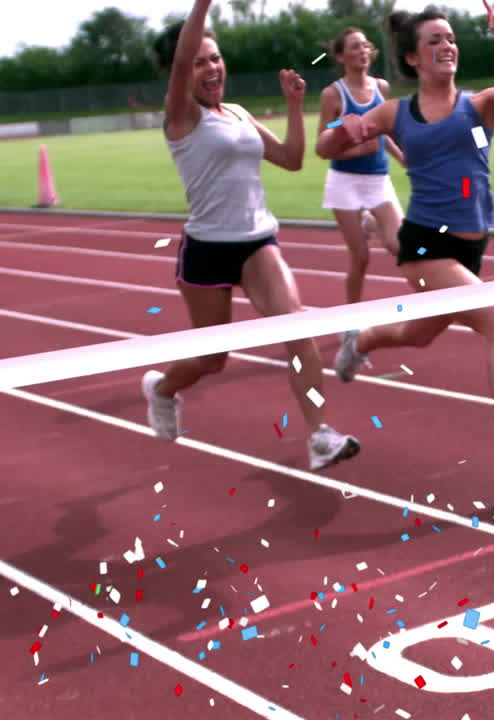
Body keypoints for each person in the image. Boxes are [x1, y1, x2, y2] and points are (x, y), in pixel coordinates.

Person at [316, 1, 494, 482]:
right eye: (434, 40)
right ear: (412, 58)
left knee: (420, 333)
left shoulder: (482, 106)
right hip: (424, 245)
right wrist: (342, 130)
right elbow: (326, 146)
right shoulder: (396, 112)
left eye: (451, 38)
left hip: (471, 247)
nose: (446, 46)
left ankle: (361, 339)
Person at [141, 0, 360, 471]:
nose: (211, 67)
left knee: (296, 325)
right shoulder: (181, 115)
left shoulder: (238, 113)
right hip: (206, 249)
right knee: (213, 358)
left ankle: (320, 434)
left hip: (257, 240)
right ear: (182, 71)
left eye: (215, 58)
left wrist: (296, 105)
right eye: (199, 61)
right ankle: (162, 388)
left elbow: (292, 158)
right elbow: (181, 62)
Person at [317, 27, 408, 305]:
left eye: (366, 46)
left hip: (377, 178)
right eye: (355, 47)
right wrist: (341, 126)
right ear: (342, 56)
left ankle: (372, 221)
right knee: (361, 257)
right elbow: (327, 130)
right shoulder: (333, 94)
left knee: (400, 245)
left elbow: (384, 132)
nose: (363, 52)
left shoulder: (381, 87)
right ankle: (352, 324)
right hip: (345, 182)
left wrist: (403, 156)